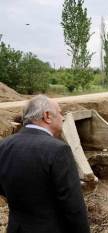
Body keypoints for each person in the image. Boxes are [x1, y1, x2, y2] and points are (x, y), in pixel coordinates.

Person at [0, 95, 90, 233]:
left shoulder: (4, 145)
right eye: (60, 112)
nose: (63, 117)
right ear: (47, 116)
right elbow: (73, 206)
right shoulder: (58, 150)